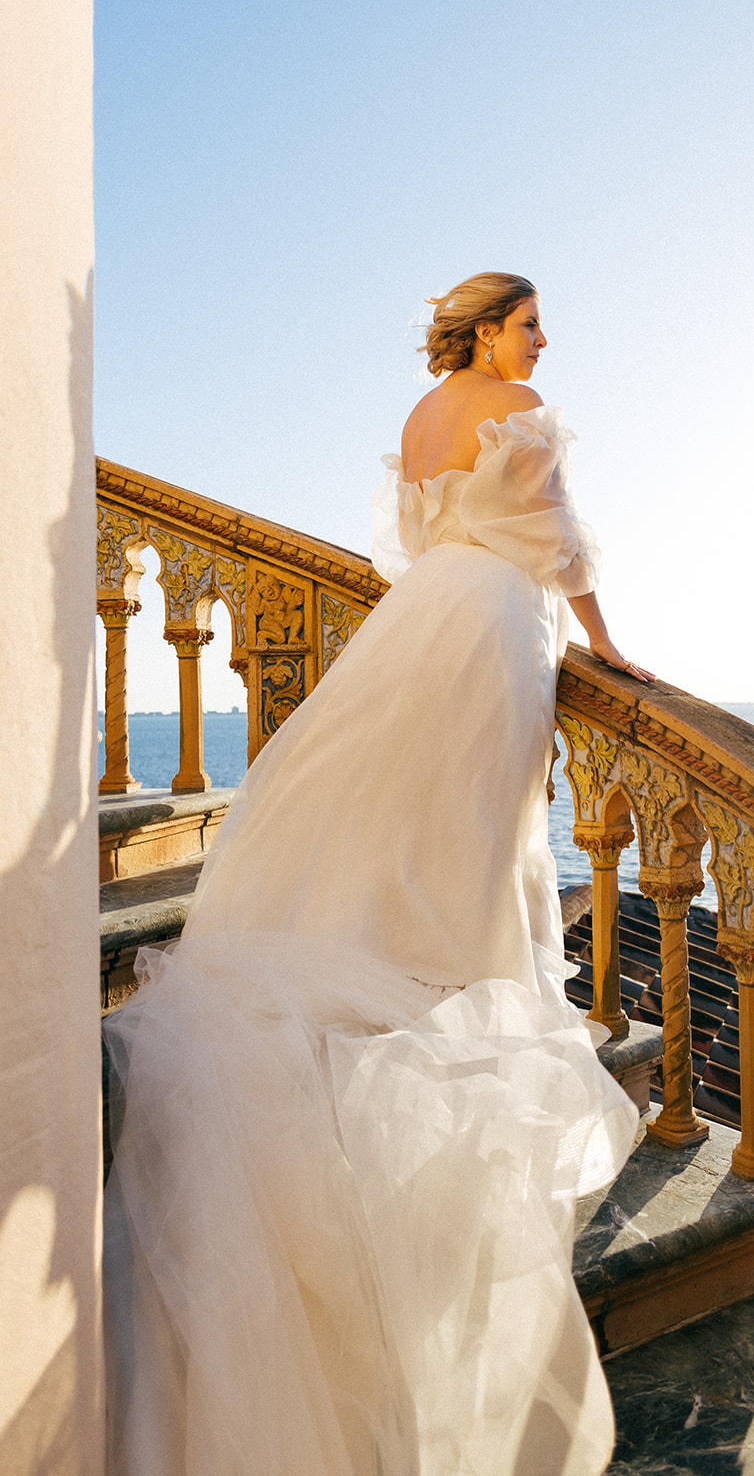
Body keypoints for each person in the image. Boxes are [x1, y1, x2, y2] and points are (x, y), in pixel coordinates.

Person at [103, 272, 652, 1476]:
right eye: (528, 322)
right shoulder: (522, 404)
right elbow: (560, 543)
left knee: (398, 811)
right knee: (468, 818)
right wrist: (608, 647)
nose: (542, 341)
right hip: (495, 625)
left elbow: (418, 537)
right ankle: (452, 988)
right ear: (490, 328)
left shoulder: (418, 419)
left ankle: (402, 968)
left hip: (427, 617)